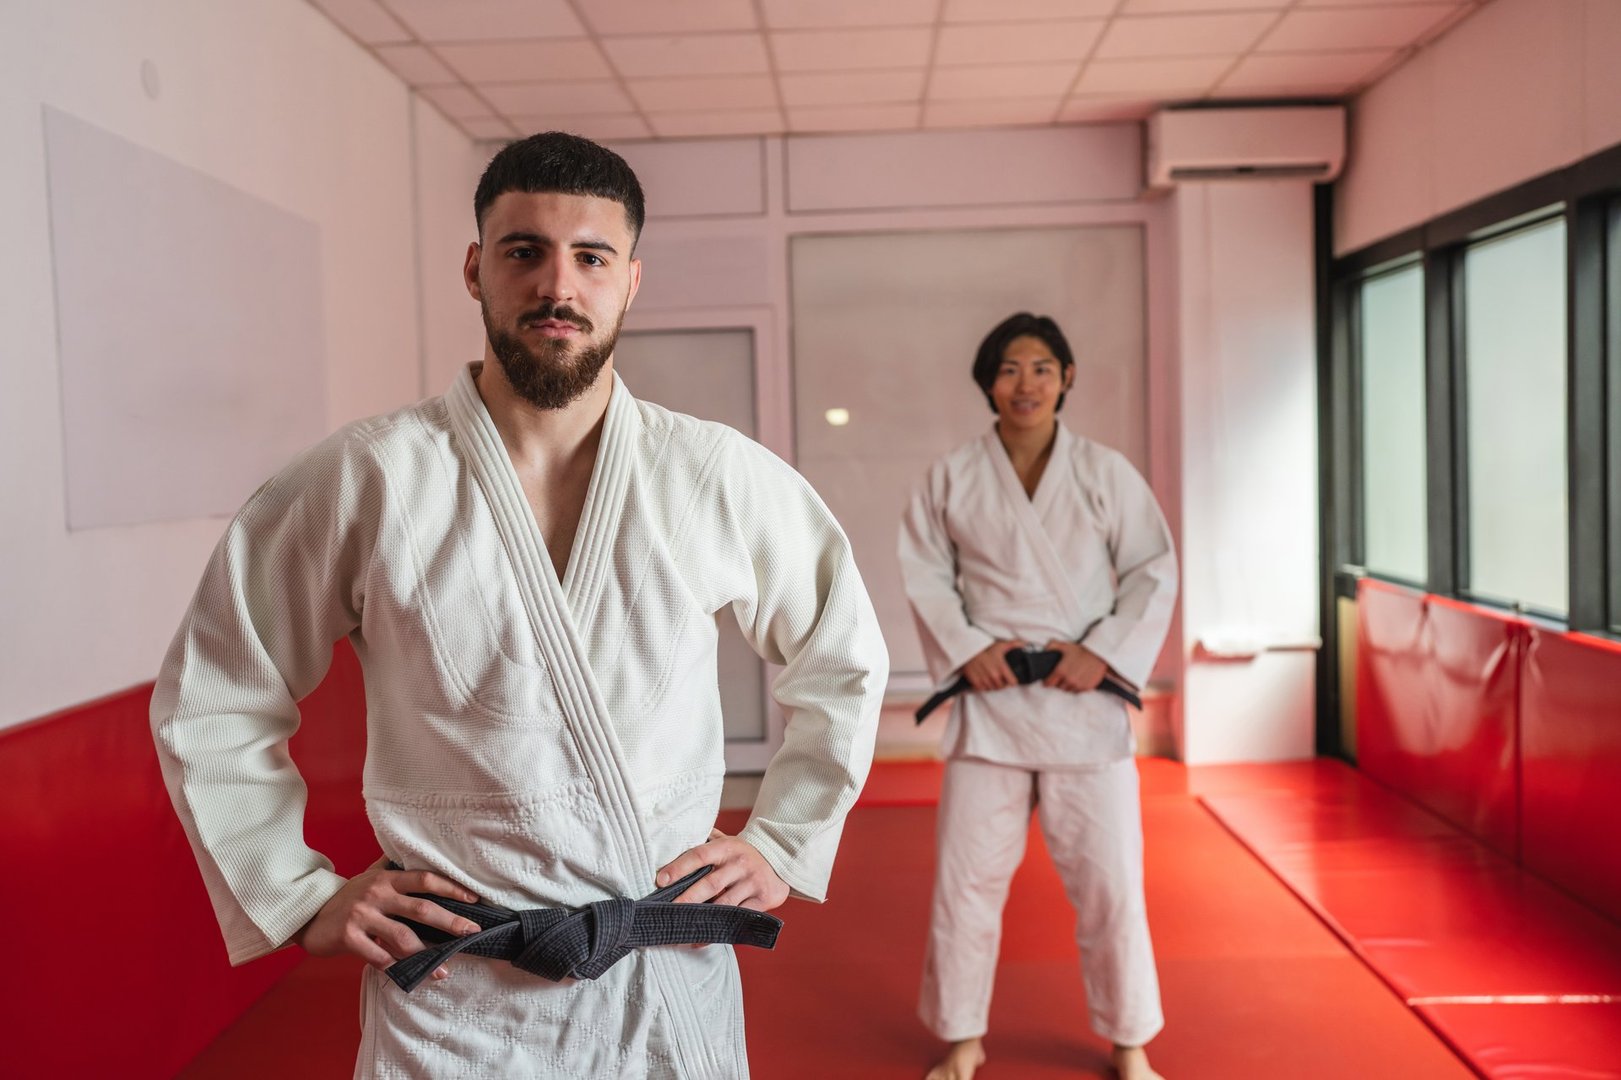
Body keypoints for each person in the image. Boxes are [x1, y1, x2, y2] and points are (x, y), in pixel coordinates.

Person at [150, 131, 887, 1078]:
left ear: (630, 281)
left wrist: (784, 840)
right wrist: (295, 896)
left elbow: (844, 658)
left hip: (660, 977)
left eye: (591, 257)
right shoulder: (370, 477)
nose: (557, 286)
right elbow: (217, 689)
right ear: (475, 269)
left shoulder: (714, 475)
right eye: (524, 251)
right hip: (457, 997)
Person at [898, 313, 1177, 1080]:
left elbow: (1151, 570)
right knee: (966, 882)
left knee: (1109, 883)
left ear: (1067, 378)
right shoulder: (951, 475)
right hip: (990, 706)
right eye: (1011, 368)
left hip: (1081, 701)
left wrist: (1102, 654)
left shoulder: (1103, 472)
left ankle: (1129, 1042)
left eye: (1042, 368)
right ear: (987, 381)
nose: (1027, 383)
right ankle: (961, 1038)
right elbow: (924, 573)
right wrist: (966, 649)